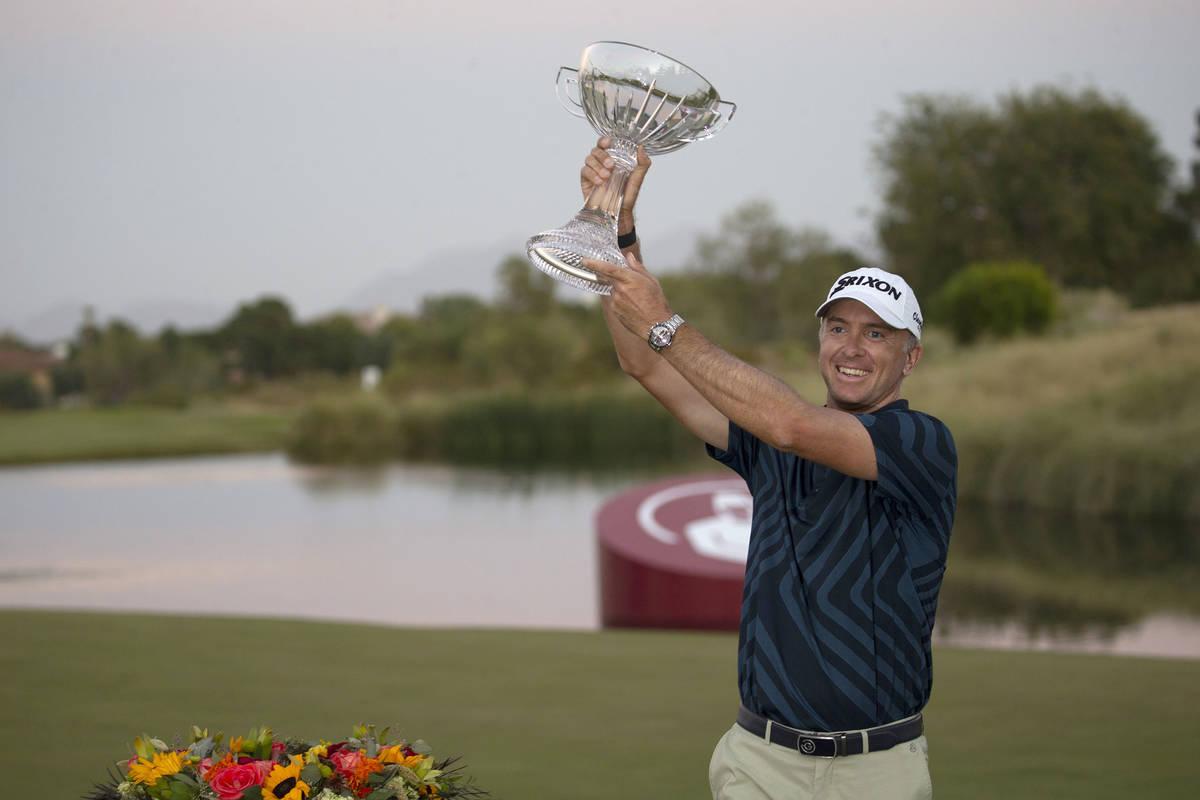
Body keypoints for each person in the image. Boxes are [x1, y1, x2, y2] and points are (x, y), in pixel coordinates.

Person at [579, 137, 957, 800]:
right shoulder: (769, 440)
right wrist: (617, 233)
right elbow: (644, 363)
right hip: (758, 760)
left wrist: (665, 320)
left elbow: (797, 426)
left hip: (876, 769)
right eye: (838, 328)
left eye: (877, 334)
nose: (852, 348)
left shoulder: (920, 442)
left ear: (911, 357)